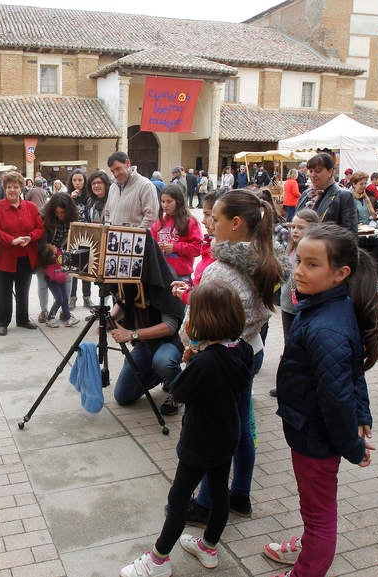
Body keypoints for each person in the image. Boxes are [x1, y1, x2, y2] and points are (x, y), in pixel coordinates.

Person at [264, 223, 378, 577]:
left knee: (319, 516)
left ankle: (306, 569)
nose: (298, 271)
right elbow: (350, 372)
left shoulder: (327, 326)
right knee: (313, 506)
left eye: (312, 264)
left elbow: (337, 397)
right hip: (310, 430)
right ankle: (307, 547)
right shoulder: (325, 306)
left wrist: (353, 446)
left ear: (341, 273)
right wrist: (363, 414)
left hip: (315, 436)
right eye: (299, 260)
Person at [120, 280, 253, 577]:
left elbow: (177, 392)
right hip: (227, 435)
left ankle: (158, 558)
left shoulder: (205, 362)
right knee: (220, 493)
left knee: (177, 501)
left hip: (199, 442)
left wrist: (186, 362)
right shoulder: (242, 349)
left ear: (204, 321)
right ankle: (209, 546)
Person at [184, 188, 285, 523]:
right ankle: (240, 492)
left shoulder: (221, 271)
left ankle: (207, 504)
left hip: (220, 358)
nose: (209, 221)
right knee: (240, 426)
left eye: (216, 217)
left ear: (236, 223)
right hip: (250, 350)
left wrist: (191, 341)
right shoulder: (266, 259)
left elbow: (194, 326)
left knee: (217, 434)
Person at [109, 234, 185, 416]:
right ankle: (162, 374)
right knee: (123, 396)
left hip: (169, 342)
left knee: (163, 361)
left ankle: (179, 389)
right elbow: (124, 301)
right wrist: (108, 318)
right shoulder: (132, 275)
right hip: (145, 344)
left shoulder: (165, 278)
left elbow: (170, 326)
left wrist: (132, 334)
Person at [0, 171, 44, 335]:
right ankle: (2, 322)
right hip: (3, 258)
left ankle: (23, 319)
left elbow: (40, 228)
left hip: (25, 257)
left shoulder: (31, 207)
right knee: (3, 292)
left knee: (23, 290)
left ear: (21, 188)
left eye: (16, 187)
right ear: (4, 189)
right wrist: (11, 240)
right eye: (9, 187)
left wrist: (30, 237)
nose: (12, 190)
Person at [36, 192, 79, 324]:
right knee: (43, 283)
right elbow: (39, 241)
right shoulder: (43, 216)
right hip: (45, 254)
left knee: (67, 280)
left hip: (64, 254)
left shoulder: (73, 217)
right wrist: (48, 251)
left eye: (63, 212)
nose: (60, 215)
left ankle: (64, 311)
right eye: (57, 212)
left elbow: (75, 239)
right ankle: (44, 310)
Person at [278, 209, 319, 346]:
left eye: (301, 228)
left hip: (304, 306)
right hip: (287, 305)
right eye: (293, 227)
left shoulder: (313, 254)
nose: (295, 231)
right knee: (288, 341)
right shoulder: (290, 249)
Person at [151, 185, 202, 282]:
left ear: (178, 202)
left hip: (181, 276)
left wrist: (175, 248)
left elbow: (197, 248)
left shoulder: (190, 222)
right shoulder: (158, 223)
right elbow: (151, 246)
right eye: (162, 201)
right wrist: (157, 247)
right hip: (161, 275)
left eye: (169, 201)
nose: (165, 205)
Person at [295, 153, 358, 233]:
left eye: (318, 171)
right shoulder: (305, 194)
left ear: (330, 171)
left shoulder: (343, 196)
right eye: (310, 171)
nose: (313, 175)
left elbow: (350, 234)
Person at [104, 151, 159, 228]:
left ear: (127, 163)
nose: (116, 174)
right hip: (113, 239)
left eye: (118, 169)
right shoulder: (113, 187)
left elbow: (151, 217)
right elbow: (107, 213)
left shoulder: (146, 186)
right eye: (113, 171)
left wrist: (135, 237)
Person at [67, 169, 94, 309]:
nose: (77, 183)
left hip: (87, 236)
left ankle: (87, 297)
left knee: (85, 268)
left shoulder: (90, 196)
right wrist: (70, 199)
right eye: (75, 180)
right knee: (73, 268)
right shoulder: (67, 196)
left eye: (80, 180)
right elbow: (63, 213)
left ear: (85, 181)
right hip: (72, 236)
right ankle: (72, 297)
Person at [39, 243, 79, 328]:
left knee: (65, 299)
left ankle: (68, 318)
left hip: (61, 281)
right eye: (54, 252)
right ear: (51, 256)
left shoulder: (57, 257)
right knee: (59, 299)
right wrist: (63, 272)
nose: (56, 250)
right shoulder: (49, 265)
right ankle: (50, 318)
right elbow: (54, 276)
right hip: (54, 283)